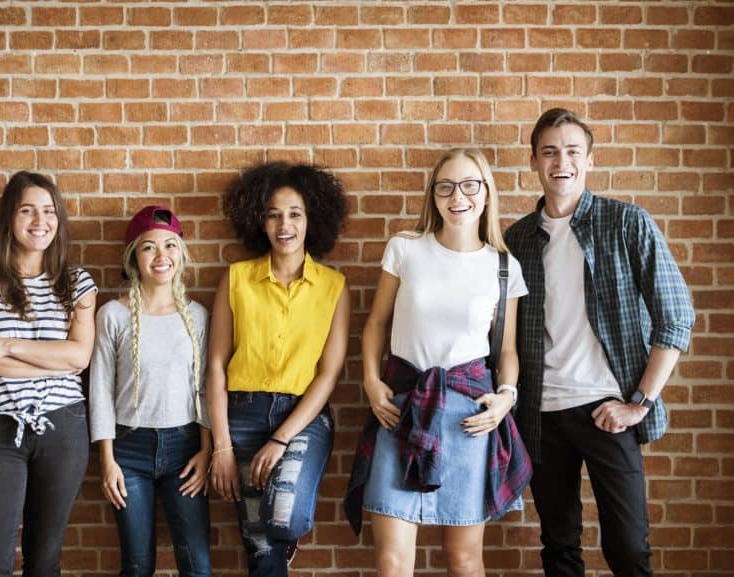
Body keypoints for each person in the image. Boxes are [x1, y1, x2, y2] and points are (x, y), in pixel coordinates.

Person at [504, 109, 695, 577]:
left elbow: (676, 317)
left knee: (629, 549)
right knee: (559, 546)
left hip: (608, 411)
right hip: (542, 415)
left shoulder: (626, 223)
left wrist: (640, 402)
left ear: (589, 160)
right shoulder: (517, 240)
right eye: (549, 152)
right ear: (533, 161)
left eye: (572, 151)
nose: (560, 161)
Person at [344, 148, 532, 577]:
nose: (457, 196)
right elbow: (375, 324)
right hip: (401, 409)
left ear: (486, 194)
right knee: (391, 562)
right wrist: (372, 383)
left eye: (469, 185)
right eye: (445, 186)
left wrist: (506, 397)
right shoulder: (405, 249)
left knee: (464, 561)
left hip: (469, 419)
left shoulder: (504, 267)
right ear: (433, 195)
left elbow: (506, 351)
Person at [0, 171, 97, 577]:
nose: (39, 220)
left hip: (63, 428)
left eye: (49, 211)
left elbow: (79, 357)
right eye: (27, 210)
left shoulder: (76, 282)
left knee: (44, 561)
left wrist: (8, 344)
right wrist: (50, 358)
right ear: (9, 218)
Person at [207, 162, 350, 577]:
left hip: (302, 417)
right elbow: (216, 367)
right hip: (242, 414)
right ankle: (276, 550)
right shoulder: (236, 279)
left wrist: (280, 438)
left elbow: (329, 374)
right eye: (273, 214)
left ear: (311, 220)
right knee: (260, 551)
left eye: (294, 214)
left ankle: (286, 535)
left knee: (283, 517)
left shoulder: (333, 286)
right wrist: (221, 446)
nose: (283, 224)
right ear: (261, 222)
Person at [89, 206, 212, 577]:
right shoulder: (112, 314)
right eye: (149, 248)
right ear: (133, 257)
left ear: (181, 254)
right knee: (137, 564)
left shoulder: (198, 316)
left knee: (196, 563)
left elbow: (205, 389)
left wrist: (206, 451)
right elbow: (100, 390)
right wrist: (107, 460)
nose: (162, 256)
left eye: (170, 246)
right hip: (130, 451)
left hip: (185, 450)